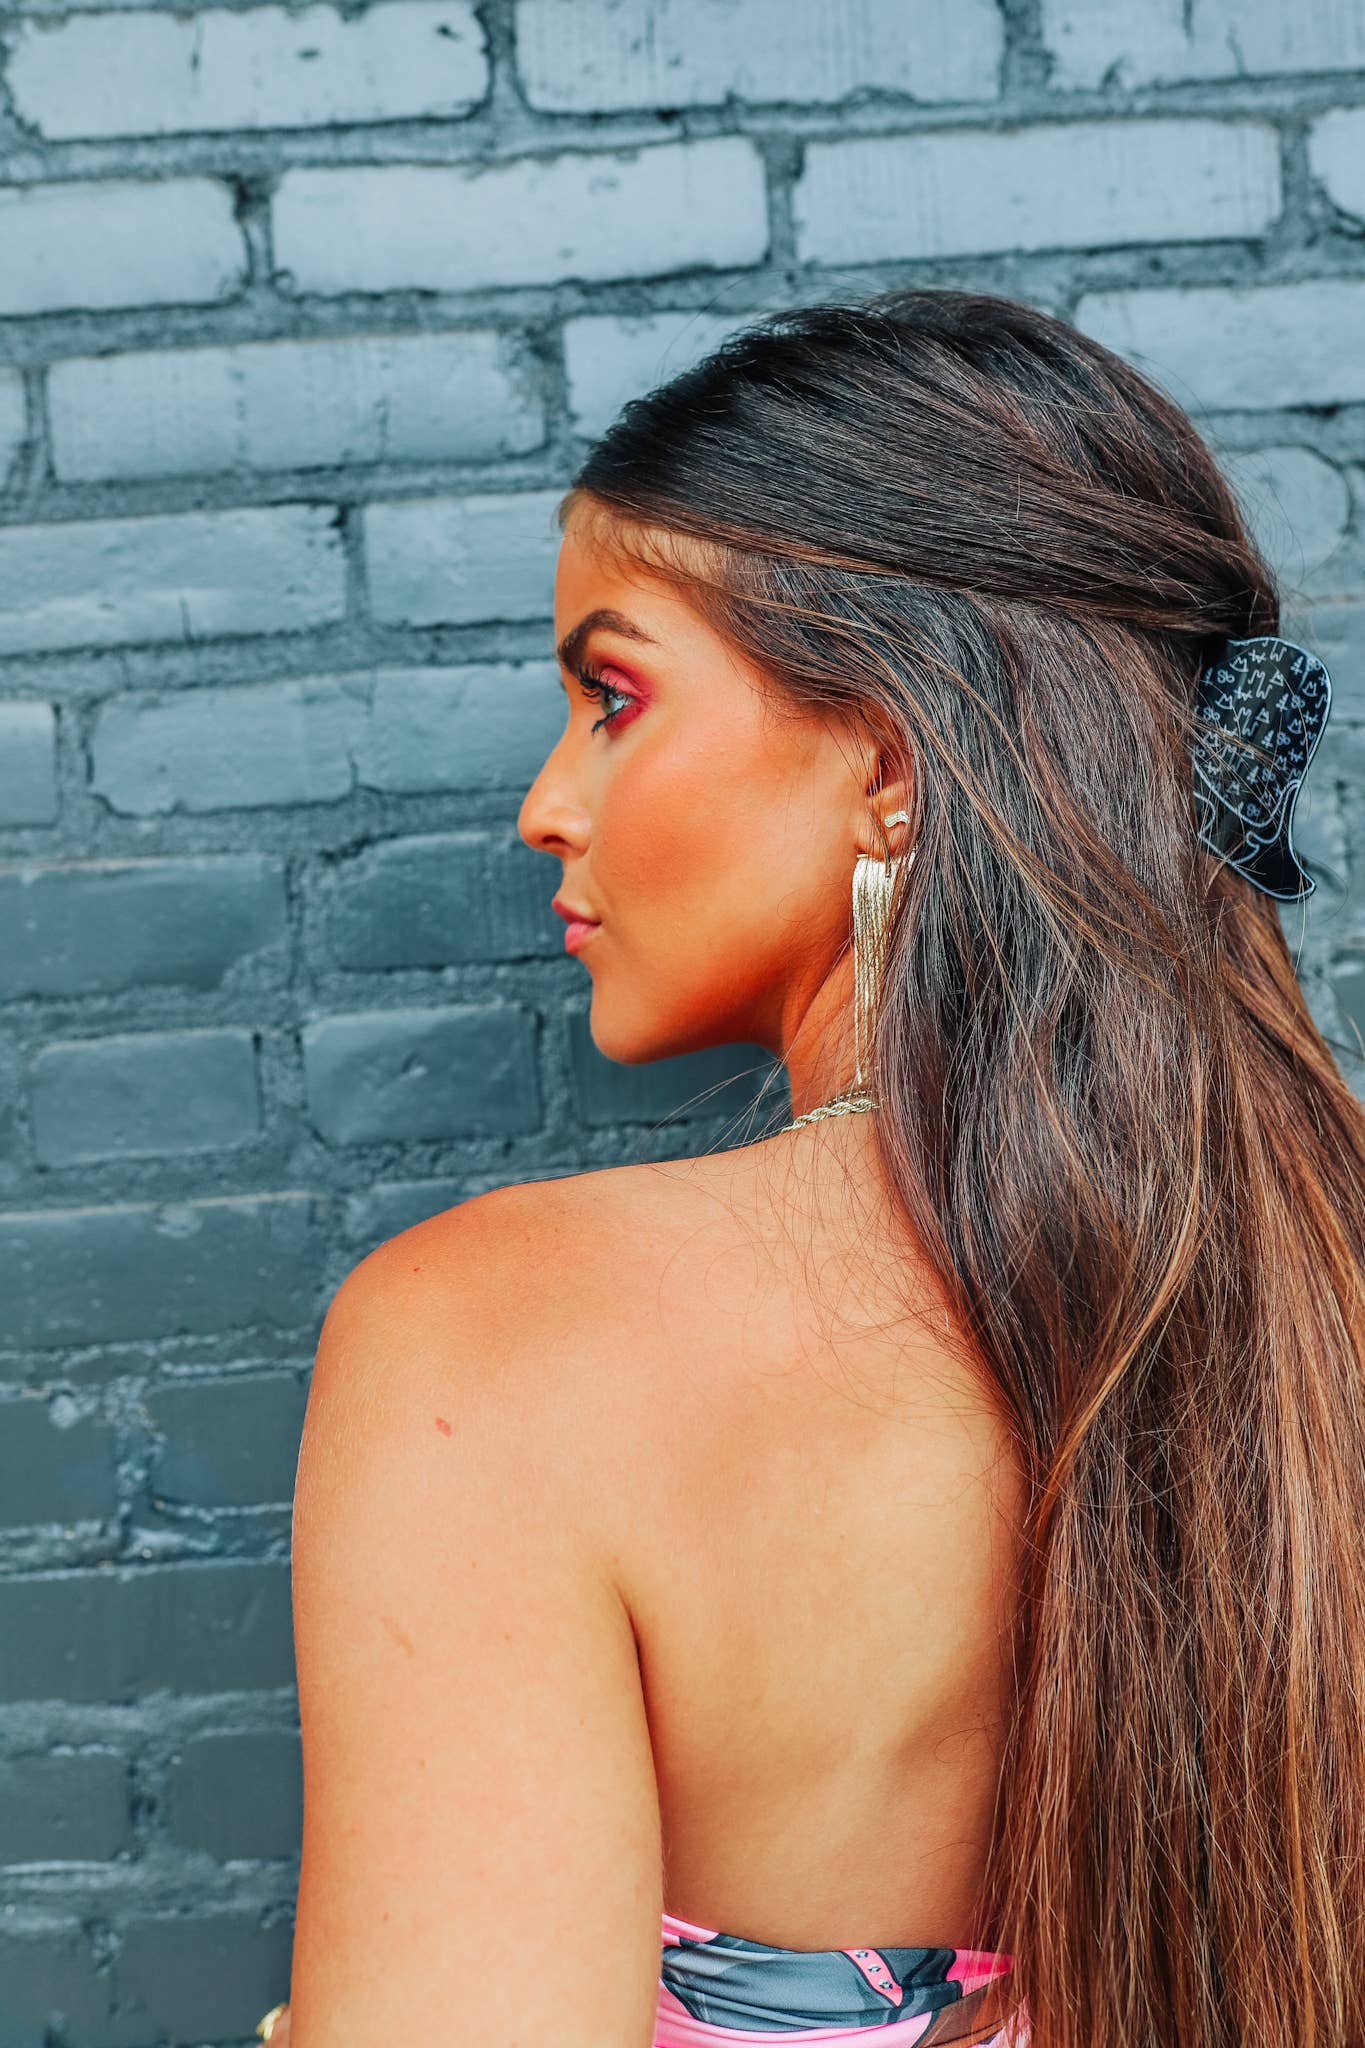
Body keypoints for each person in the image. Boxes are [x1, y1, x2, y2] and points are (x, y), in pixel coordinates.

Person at [263, 288, 1365, 2047]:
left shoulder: (496, 1342)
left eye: (612, 696)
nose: (547, 804)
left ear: (886, 763)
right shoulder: (1328, 1276)